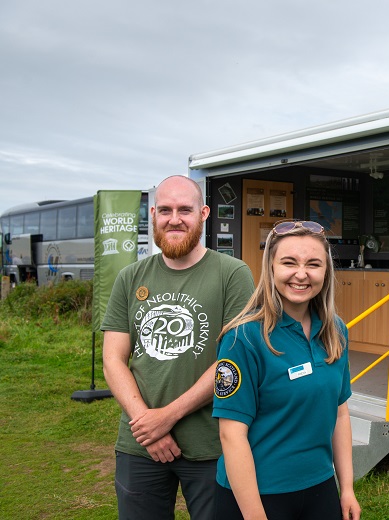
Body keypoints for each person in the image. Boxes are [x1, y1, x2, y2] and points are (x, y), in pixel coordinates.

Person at [101, 175, 255, 520]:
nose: (175, 219)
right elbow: (113, 359)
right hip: (139, 445)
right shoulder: (129, 278)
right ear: (153, 214)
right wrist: (147, 427)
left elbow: (233, 361)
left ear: (204, 214)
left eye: (185, 209)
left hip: (211, 443)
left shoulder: (233, 274)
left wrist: (165, 418)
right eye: (166, 210)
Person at [212, 220, 361, 520]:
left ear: (326, 272)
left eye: (314, 264)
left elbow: (340, 413)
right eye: (289, 262)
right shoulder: (243, 338)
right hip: (257, 496)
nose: (301, 274)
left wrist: (346, 488)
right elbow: (231, 436)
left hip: (320, 488)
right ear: (271, 268)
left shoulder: (335, 331)